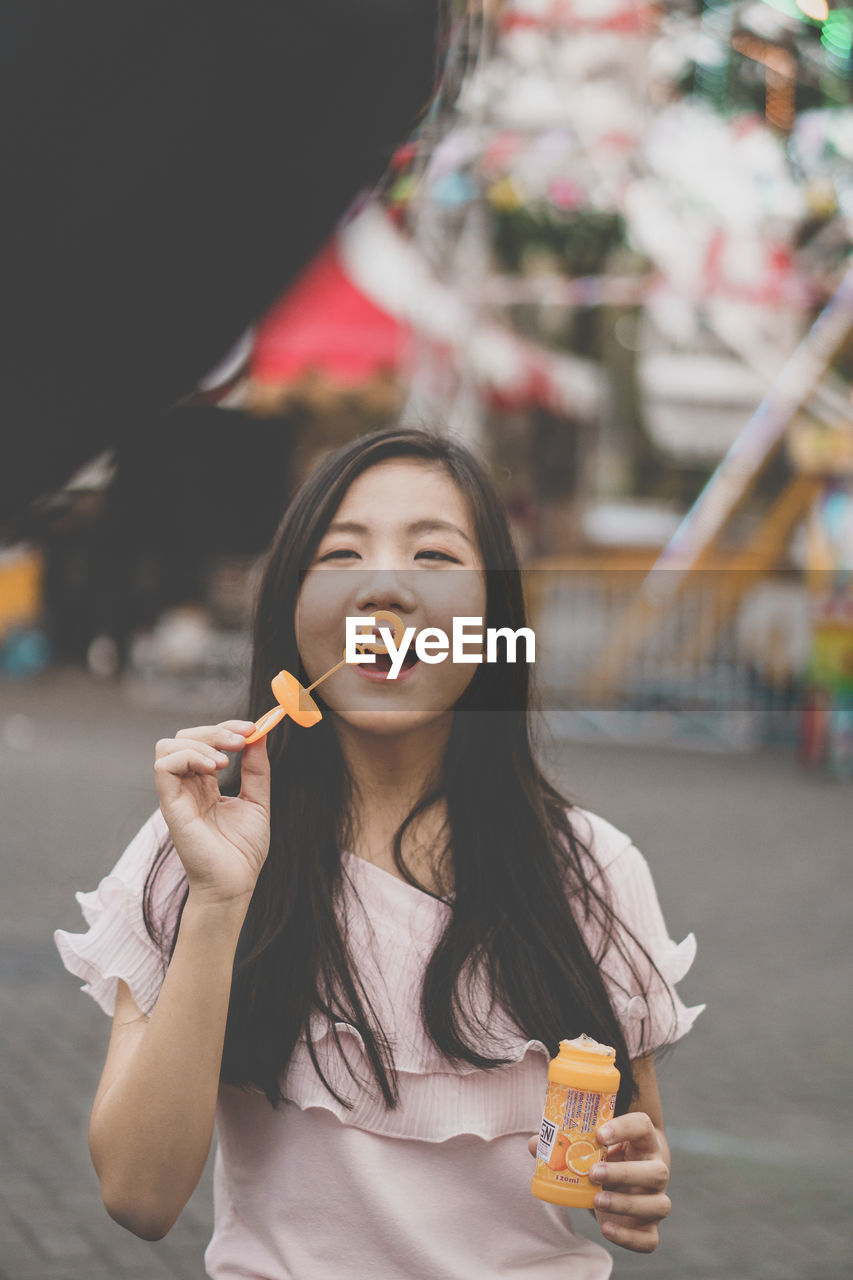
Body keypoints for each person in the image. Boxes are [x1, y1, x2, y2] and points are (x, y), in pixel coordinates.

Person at [55, 426, 704, 1278]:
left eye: (434, 555)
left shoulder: (596, 871)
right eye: (341, 554)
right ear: (292, 608)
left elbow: (632, 1145)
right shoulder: (195, 842)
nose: (386, 586)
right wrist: (218, 901)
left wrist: (636, 1180)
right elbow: (139, 1197)